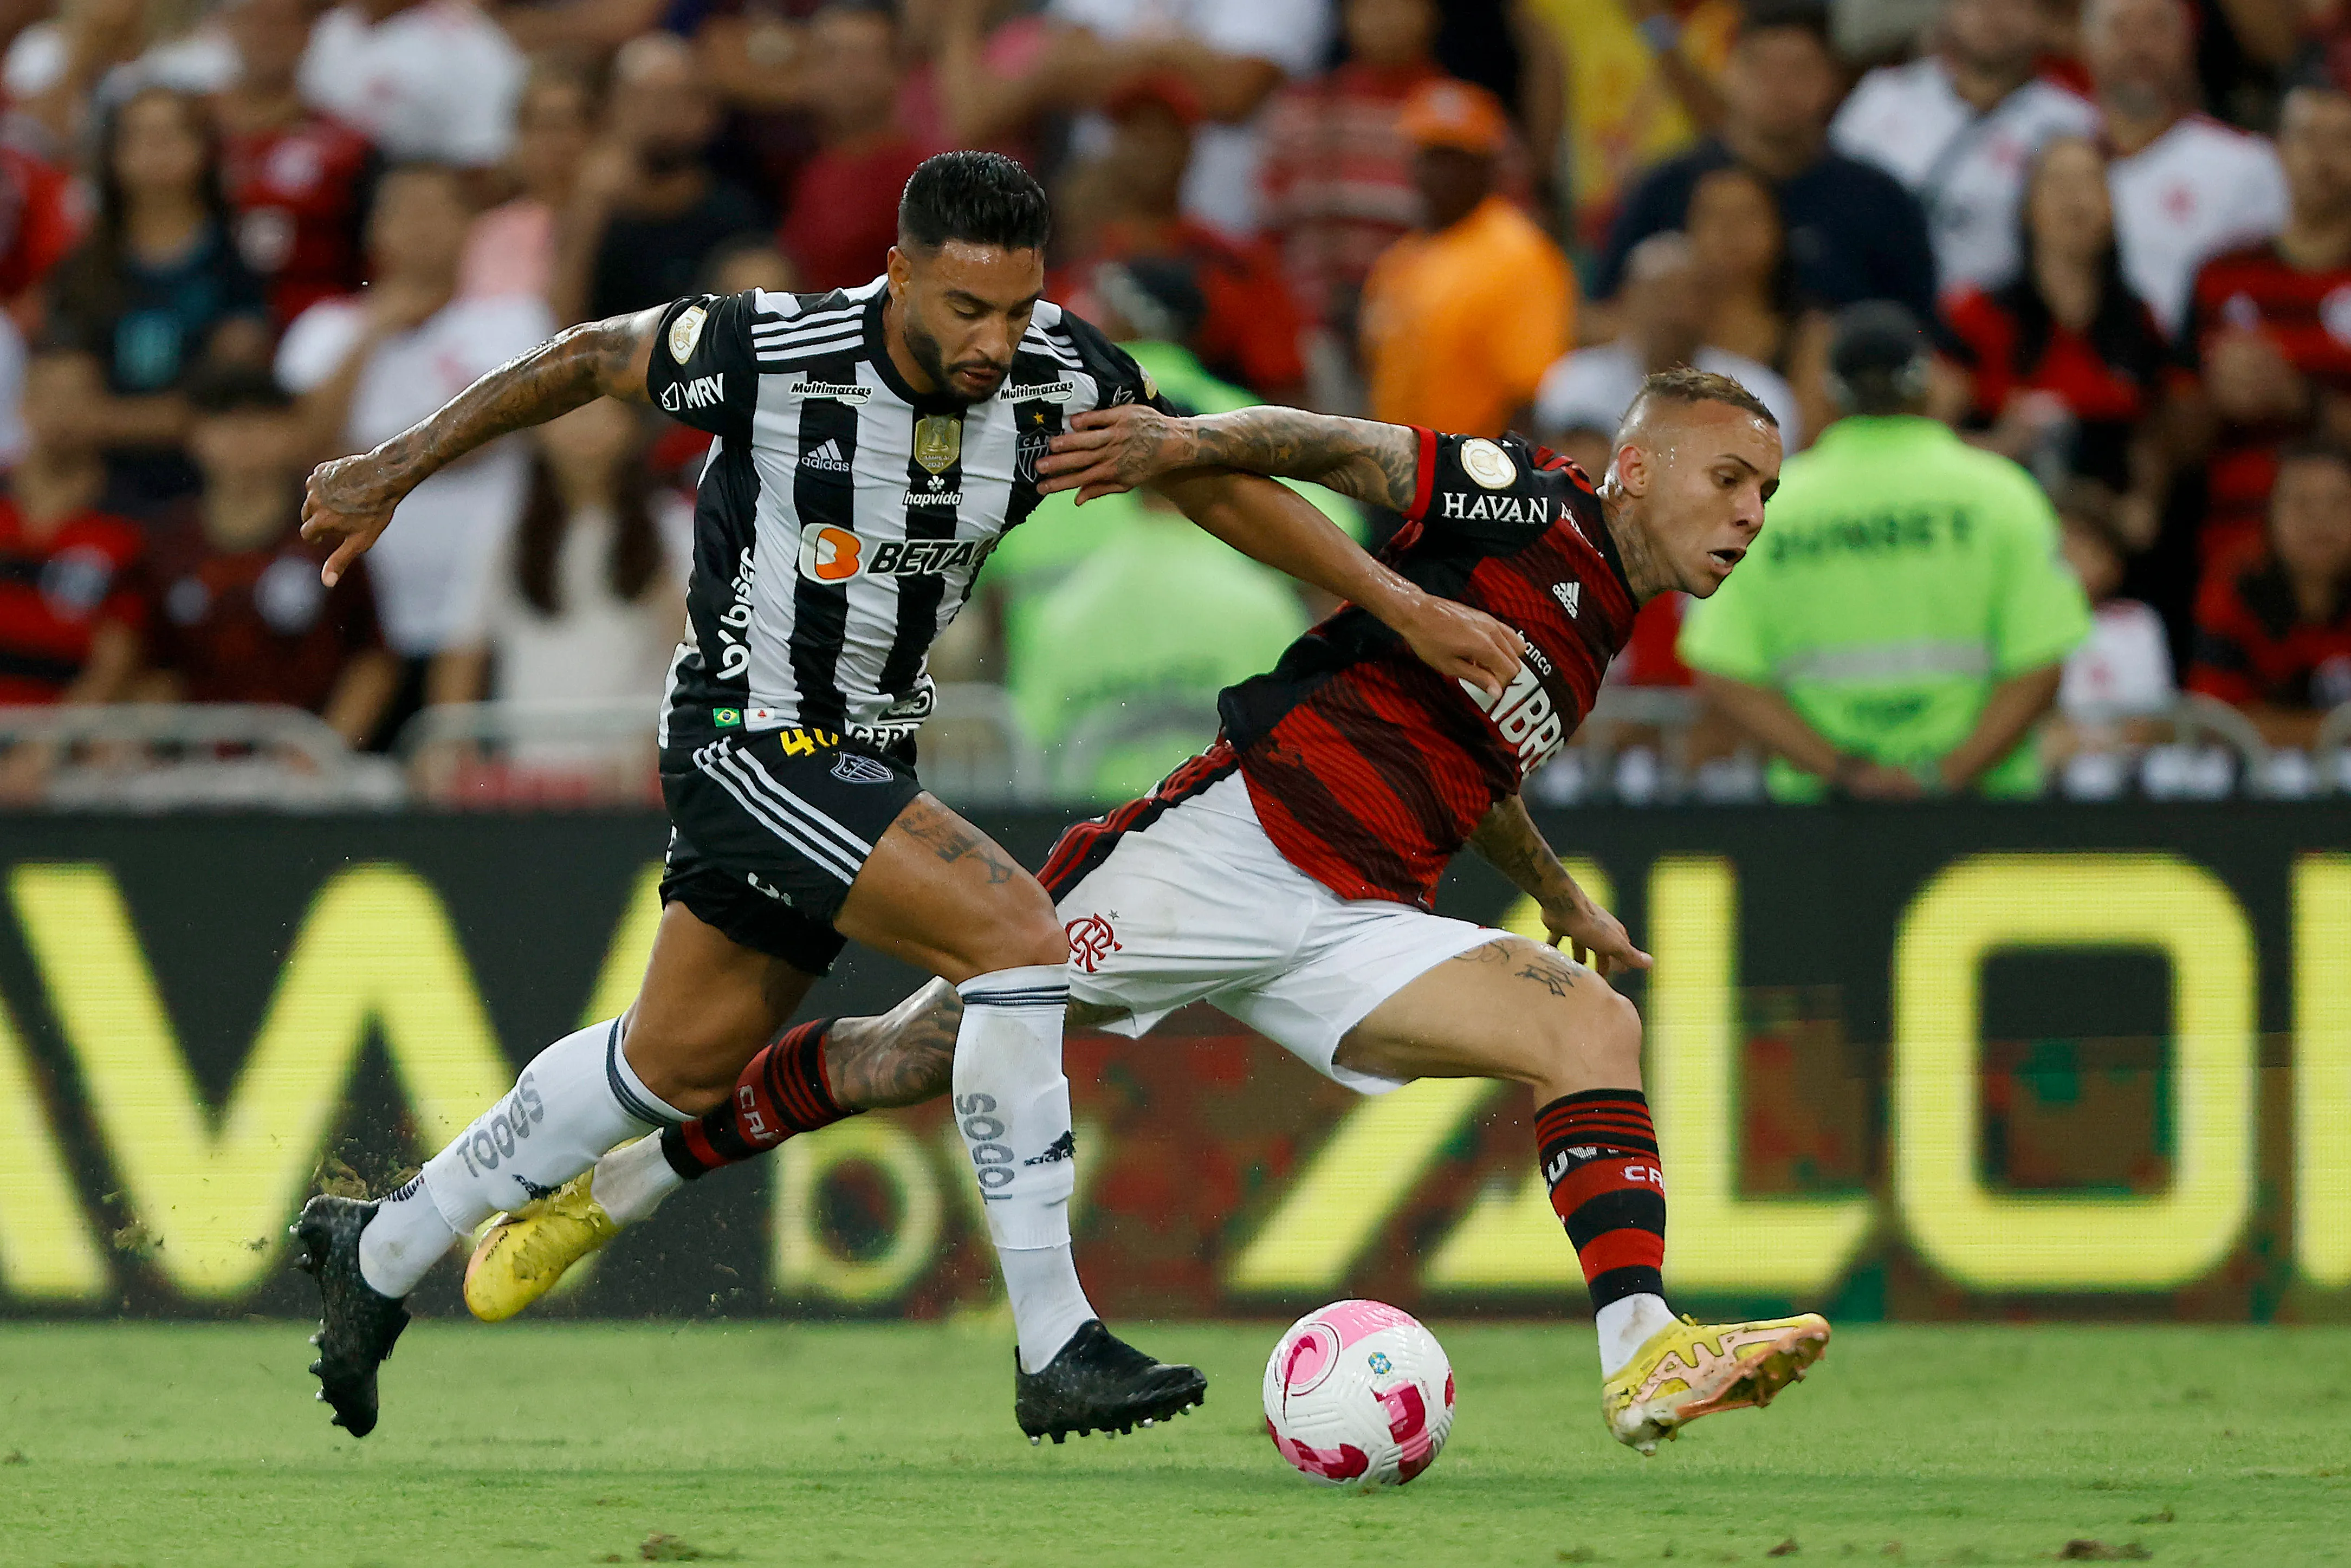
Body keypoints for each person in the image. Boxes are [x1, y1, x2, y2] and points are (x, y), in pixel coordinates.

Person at [287, 150, 1524, 1443]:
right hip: (751, 737)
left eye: (1018, 306)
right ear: (899, 276)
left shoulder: (1058, 372)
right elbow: (592, 357)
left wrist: (1396, 601)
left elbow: (1203, 477)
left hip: (866, 753)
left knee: (673, 1061)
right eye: (965, 310)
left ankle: (379, 1248)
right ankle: (1055, 1341)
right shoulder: (777, 351)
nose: (998, 341)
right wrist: (397, 460)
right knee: (1017, 938)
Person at [465, 368, 1834, 1459]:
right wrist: (1176, 444)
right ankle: (614, 1186)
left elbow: (1466, 759)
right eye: (1727, 478)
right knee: (903, 1054)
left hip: (1358, 914)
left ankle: (1643, 1354)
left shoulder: (1598, 626)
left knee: (1585, 1021)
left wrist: (1550, 889)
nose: (1748, 513)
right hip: (1222, 852)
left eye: (1764, 494)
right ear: (1637, 466)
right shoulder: (1525, 503)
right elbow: (1336, 446)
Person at [1681, 302, 2092, 801]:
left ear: (1830, 393)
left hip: (1823, 823)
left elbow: (1725, 671)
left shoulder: (1766, 510)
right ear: (1925, 386)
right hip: (1982, 818)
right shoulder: (2002, 496)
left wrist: (1845, 774)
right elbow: (2041, 664)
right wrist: (1942, 776)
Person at [277, 163, 554, 725]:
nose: (422, 225)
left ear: (468, 226)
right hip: (363, 605)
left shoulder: (515, 319)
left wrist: (366, 463)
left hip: (481, 603)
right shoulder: (326, 328)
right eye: (405, 210)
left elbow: (491, 436)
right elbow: (303, 447)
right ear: (375, 228)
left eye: (438, 210)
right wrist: (373, 332)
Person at [1593, 0, 1935, 321]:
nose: (1779, 86)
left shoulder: (1878, 200)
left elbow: (1920, 327)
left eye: (1799, 69)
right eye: (1761, 66)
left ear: (1832, 78)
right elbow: (1602, 312)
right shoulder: (1666, 189)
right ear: (1730, 70)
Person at [44, 85, 271, 517]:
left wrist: (104, 420)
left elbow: (224, 401)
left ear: (205, 150)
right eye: (139, 136)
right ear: (111, 155)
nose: (156, 149)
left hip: (202, 494)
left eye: (172, 134)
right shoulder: (83, 269)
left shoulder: (238, 266)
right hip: (96, 490)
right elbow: (62, 401)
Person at [141, 366, 397, 748]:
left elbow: (372, 660)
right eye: (225, 421)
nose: (244, 437)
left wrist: (327, 750)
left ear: (293, 434)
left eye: (262, 421)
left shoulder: (328, 539)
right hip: (196, 767)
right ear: (194, 435)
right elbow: (153, 666)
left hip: (305, 761)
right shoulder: (168, 545)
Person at [1935, 137, 2171, 535]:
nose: (2074, 200)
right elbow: (1931, 442)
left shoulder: (2138, 320)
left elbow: (2151, 442)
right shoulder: (1975, 315)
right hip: (1996, 523)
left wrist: (2141, 503)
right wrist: (2002, 446)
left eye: (2089, 183)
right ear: (2027, 209)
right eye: (2058, 184)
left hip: (2104, 541)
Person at [2180, 76, 2351, 572]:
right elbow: (2175, 437)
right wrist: (2214, 398)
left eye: (2341, 141)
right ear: (2277, 150)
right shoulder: (2220, 275)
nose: (2322, 159)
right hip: (2236, 552)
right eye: (2307, 138)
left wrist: (2302, 401)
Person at [1059, 75, 1308, 405]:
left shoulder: (1233, 263)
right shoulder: (1072, 254)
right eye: (1134, 131)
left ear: (1189, 146)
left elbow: (1286, 388)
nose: (1147, 146)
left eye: (1162, 132)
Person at [431, 397, 682, 712]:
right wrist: (450, 738)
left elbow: (694, 648)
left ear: (637, 426)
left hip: (637, 751)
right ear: (534, 429)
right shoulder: (506, 529)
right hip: (532, 752)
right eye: (569, 409)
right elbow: (464, 645)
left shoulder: (672, 528)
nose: (587, 423)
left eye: (605, 409)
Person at [1829, 0, 2097, 293]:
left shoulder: (2073, 121)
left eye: (2015, 4)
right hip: (1885, 310)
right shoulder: (1880, 100)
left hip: (2003, 324)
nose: (1994, 14)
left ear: (2042, 17)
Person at [1357, 79, 1572, 439]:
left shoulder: (1518, 254)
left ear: (1487, 167)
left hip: (1470, 473)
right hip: (1400, 470)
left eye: (1456, 159)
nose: (1441, 174)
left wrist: (1495, 482)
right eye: (1431, 157)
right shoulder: (1402, 258)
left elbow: (1532, 396)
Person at [1255, 0, 1464, 344]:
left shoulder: (1466, 120)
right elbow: (1269, 234)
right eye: (1369, 6)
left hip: (1429, 335)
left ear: (1431, 15)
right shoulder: (1300, 110)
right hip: (1310, 336)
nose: (1385, 17)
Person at [1048, 0, 1335, 238]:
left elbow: (1234, 92)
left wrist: (1127, 53)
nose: (1151, 147)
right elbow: (1063, 70)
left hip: (1227, 242)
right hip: (1096, 234)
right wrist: (1184, 57)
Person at [2086, 0, 2287, 338]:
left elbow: (2270, 291)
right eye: (2121, 28)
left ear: (2188, 43)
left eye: (2156, 27)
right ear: (2086, 43)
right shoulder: (2048, 148)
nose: (2138, 45)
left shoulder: (2246, 163)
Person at [558, 33, 767, 328]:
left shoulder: (734, 216)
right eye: (643, 98)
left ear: (707, 113)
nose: (661, 115)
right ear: (611, 109)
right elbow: (562, 328)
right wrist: (589, 210)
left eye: (678, 99)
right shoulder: (591, 211)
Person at [1536, 231, 1801, 450]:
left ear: (1711, 307)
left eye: (1690, 294)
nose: (1675, 311)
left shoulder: (1758, 393)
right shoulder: (1573, 384)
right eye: (1660, 293)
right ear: (1627, 299)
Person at [1522, 0, 1740, 252]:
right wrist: (1541, 192)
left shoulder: (1727, 18)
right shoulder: (1573, 10)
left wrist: (1654, 25)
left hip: (1694, 212)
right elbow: (1547, 88)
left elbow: (1723, 124)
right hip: (1599, 216)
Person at [2187, 439, 2351, 744]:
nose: (2321, 520)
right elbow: (2214, 723)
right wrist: (2331, 731)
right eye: (2302, 503)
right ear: (2269, 515)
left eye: (2339, 503)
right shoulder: (2233, 587)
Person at [778, 3, 935, 294]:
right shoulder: (805, 168)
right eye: (829, 56)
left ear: (899, 70)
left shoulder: (920, 180)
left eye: (862, 58)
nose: (845, 72)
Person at [1681, 164, 1835, 442]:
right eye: (1714, 217)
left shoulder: (1810, 334)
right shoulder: (1672, 327)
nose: (1730, 232)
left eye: (1747, 216)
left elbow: (1807, 439)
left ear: (1778, 229)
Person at [297, 0, 524, 171]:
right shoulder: (336, 24)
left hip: (414, 184)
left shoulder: (474, 49)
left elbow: (483, 159)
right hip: (323, 176)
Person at [458, 60, 595, 307]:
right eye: (544, 127)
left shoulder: (611, 219)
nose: (559, 143)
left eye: (570, 125)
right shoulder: (490, 231)